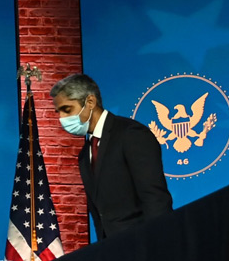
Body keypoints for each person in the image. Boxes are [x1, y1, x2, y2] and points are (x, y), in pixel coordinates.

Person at [52, 72, 173, 242]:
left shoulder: (130, 134)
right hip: (111, 253)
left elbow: (155, 198)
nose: (61, 119)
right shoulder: (84, 154)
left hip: (145, 244)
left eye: (67, 110)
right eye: (58, 112)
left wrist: (160, 245)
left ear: (90, 102)